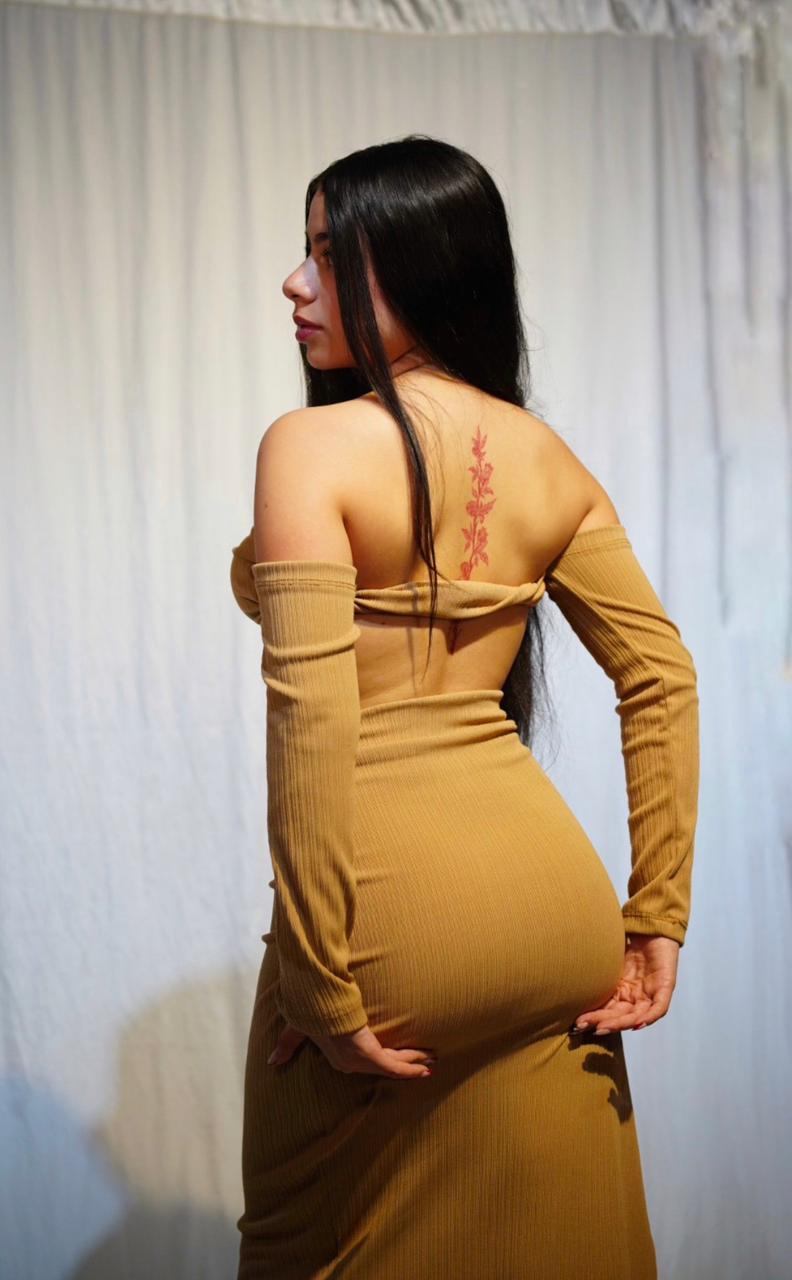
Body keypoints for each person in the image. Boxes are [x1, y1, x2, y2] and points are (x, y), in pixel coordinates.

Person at [230, 136, 700, 1279]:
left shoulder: (309, 448)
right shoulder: (549, 460)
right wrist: (656, 915)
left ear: (422, 266)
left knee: (306, 1245)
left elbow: (311, 726)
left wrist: (320, 973)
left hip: (387, 922)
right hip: (553, 913)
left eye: (328, 256)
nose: (295, 283)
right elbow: (662, 674)